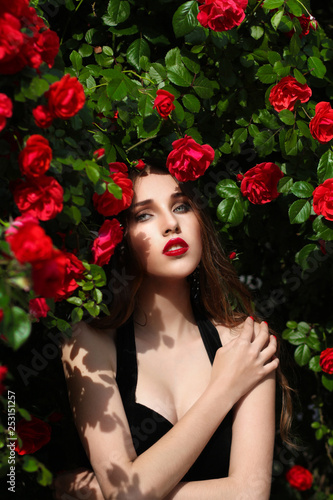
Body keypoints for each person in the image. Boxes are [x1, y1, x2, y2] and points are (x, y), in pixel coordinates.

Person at [54, 160, 291, 500]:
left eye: (181, 206)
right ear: (118, 236)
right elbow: (127, 493)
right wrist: (225, 387)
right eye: (144, 215)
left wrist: (103, 493)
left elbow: (250, 494)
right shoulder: (88, 345)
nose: (171, 225)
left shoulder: (245, 345)